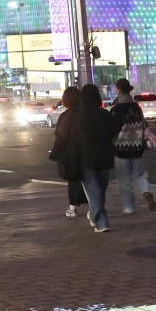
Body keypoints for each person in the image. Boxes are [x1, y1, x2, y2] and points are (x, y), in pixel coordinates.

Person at [70, 83, 116, 232]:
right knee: (100, 190)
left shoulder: (78, 116)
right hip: (104, 157)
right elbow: (114, 132)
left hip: (86, 159)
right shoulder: (105, 115)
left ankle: (101, 222)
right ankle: (95, 215)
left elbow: (74, 138)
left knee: (94, 190)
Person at [110, 78, 155, 214]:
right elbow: (144, 125)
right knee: (140, 174)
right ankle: (146, 191)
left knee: (124, 179)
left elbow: (112, 130)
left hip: (121, 149)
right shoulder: (136, 107)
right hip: (137, 147)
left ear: (118, 90)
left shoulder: (116, 109)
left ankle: (129, 207)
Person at [49, 86, 88, 218]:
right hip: (88, 153)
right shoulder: (87, 113)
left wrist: (55, 153)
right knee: (91, 180)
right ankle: (94, 206)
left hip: (72, 154)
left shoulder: (66, 116)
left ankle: (73, 207)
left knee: (73, 179)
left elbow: (61, 136)